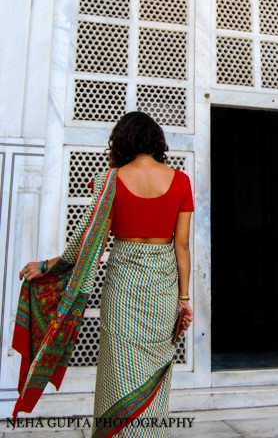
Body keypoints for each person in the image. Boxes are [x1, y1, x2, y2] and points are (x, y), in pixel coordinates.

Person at [14, 111, 194, 437]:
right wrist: (184, 299)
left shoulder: (110, 181)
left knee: (118, 379)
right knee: (154, 382)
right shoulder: (181, 181)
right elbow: (181, 246)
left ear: (123, 141)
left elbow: (88, 244)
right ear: (156, 142)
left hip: (123, 291)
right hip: (163, 294)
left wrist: (47, 266)